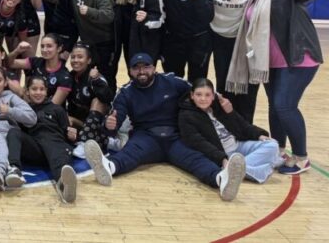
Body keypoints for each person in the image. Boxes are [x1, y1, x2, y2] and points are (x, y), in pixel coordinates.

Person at [87, 53, 247, 201]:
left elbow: (197, 90)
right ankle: (108, 167)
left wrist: (218, 100)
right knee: (130, 153)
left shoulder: (172, 81)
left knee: (196, 159)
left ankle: (221, 180)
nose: (141, 71)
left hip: (176, 137)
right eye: (136, 68)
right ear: (130, 71)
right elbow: (115, 119)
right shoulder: (125, 93)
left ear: (154, 68)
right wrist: (110, 125)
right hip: (146, 136)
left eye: (146, 67)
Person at [227, 0, 321, 175]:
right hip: (271, 62)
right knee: (275, 107)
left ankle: (301, 157)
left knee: (284, 106)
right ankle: (279, 150)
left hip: (297, 57)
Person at [165, 0, 258, 123]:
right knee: (223, 83)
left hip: (242, 38)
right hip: (217, 37)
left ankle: (245, 126)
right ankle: (225, 123)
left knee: (245, 87)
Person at [179, 78, 279, 183]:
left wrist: (258, 135)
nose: (203, 98)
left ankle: (234, 170)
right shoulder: (186, 115)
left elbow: (241, 124)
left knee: (272, 145)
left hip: (238, 145)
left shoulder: (219, 105)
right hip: (224, 153)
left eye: (207, 95)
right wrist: (221, 158)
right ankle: (255, 171)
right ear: (192, 95)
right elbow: (198, 143)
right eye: (198, 94)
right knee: (271, 158)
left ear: (213, 96)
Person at [5, 76, 81, 202]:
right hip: (37, 150)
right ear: (27, 91)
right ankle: (14, 169)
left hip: (56, 146)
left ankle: (64, 185)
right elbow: (21, 134)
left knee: (56, 149)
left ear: (46, 92)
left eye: (42, 89)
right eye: (34, 89)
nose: (38, 92)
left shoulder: (57, 109)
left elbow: (67, 134)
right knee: (13, 132)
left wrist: (72, 137)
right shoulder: (24, 111)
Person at [69, 0, 115, 87]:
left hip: (104, 43)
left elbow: (109, 15)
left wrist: (90, 11)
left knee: (106, 77)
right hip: (87, 43)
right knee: (86, 76)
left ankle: (109, 100)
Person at [8, 34, 72, 99]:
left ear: (59, 48)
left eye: (49, 46)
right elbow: (10, 64)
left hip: (46, 105)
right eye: (42, 46)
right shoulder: (36, 61)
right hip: (30, 102)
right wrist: (17, 51)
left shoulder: (65, 76)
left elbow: (54, 104)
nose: (44, 49)